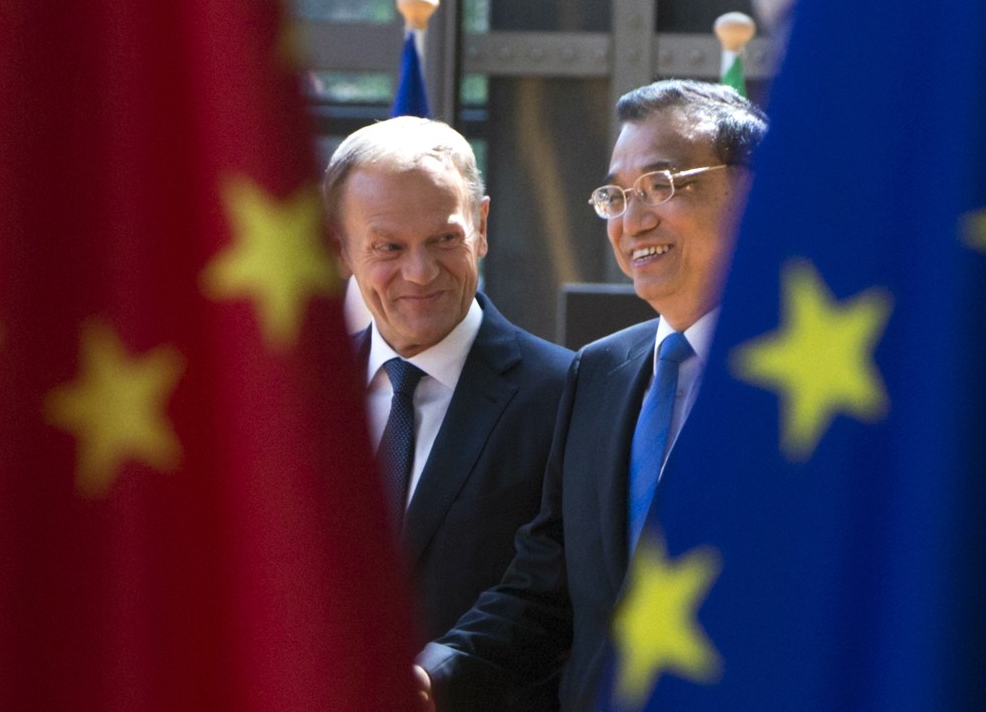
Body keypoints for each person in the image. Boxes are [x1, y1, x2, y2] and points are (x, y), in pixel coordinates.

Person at [416, 80, 769, 711]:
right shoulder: (600, 374)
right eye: (617, 196)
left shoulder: (806, 385)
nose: (633, 221)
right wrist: (434, 678)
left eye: (661, 186)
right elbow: (546, 590)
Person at [322, 116, 574, 711]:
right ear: (340, 250)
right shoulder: (297, 403)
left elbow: (549, 591)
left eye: (444, 239)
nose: (420, 273)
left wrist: (432, 681)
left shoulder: (569, 394)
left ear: (481, 227)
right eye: (388, 247)